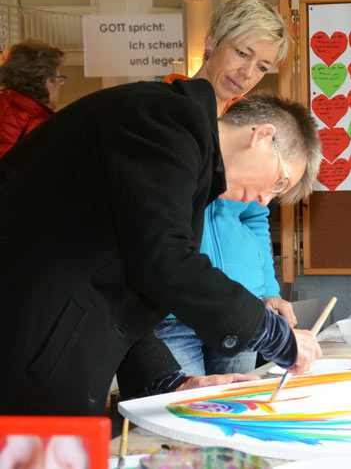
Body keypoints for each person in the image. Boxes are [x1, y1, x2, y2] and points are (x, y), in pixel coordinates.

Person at [0, 80, 323, 415]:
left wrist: (167, 380)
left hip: (44, 339)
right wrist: (272, 334)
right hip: (21, 334)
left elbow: (125, 287)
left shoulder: (190, 167)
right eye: (279, 182)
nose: (264, 200)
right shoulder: (168, 120)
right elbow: (166, 262)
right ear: (262, 136)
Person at [155, 0, 297, 377]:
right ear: (211, 41)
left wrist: (268, 289)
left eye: (262, 66)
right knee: (184, 418)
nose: (248, 72)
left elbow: (256, 219)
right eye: (241, 52)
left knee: (235, 413)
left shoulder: (251, 127)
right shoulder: (161, 117)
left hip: (242, 308)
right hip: (175, 310)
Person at [0, 38, 66, 157]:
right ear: (48, 84)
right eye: (58, 80)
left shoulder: (6, 108)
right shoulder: (38, 124)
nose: (60, 86)